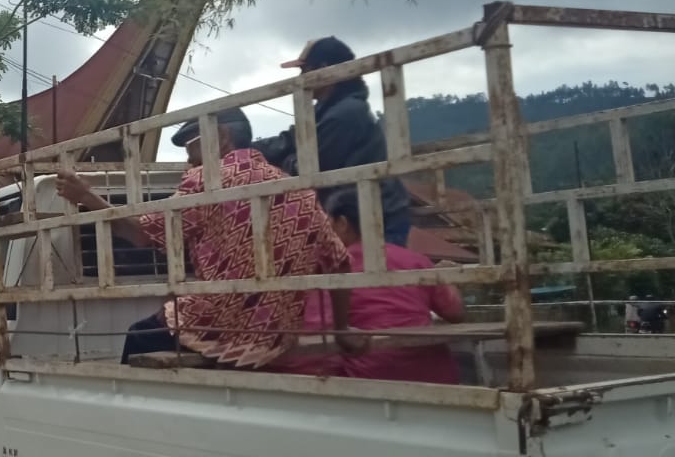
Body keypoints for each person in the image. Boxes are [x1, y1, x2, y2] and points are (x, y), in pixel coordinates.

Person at [56, 108, 361, 368]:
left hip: (223, 327)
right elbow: (340, 262)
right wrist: (342, 327)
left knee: (140, 335)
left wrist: (87, 197)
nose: (189, 163)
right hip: (277, 336)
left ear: (221, 137)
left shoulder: (207, 180)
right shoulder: (296, 188)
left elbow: (140, 233)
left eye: (192, 150)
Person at [273, 189, 466, 383]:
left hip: (371, 379)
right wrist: (447, 277)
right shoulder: (416, 260)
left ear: (342, 224)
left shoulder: (331, 266)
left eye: (328, 223)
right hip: (436, 376)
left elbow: (313, 331)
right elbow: (456, 313)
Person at [253, 36, 414, 246]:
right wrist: (249, 150)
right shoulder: (325, 109)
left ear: (323, 69)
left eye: (305, 70)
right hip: (356, 212)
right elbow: (290, 139)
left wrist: (284, 161)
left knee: (371, 265)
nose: (301, 77)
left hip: (375, 216)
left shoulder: (344, 114)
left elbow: (310, 168)